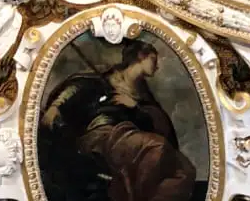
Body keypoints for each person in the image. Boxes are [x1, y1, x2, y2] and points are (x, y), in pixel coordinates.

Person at [38, 40, 197, 201]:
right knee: (157, 147)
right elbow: (76, 88)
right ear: (140, 56)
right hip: (103, 134)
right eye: (153, 59)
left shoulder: (143, 92)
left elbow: (155, 120)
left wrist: (134, 107)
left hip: (131, 137)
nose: (157, 66)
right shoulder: (107, 76)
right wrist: (56, 106)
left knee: (183, 170)